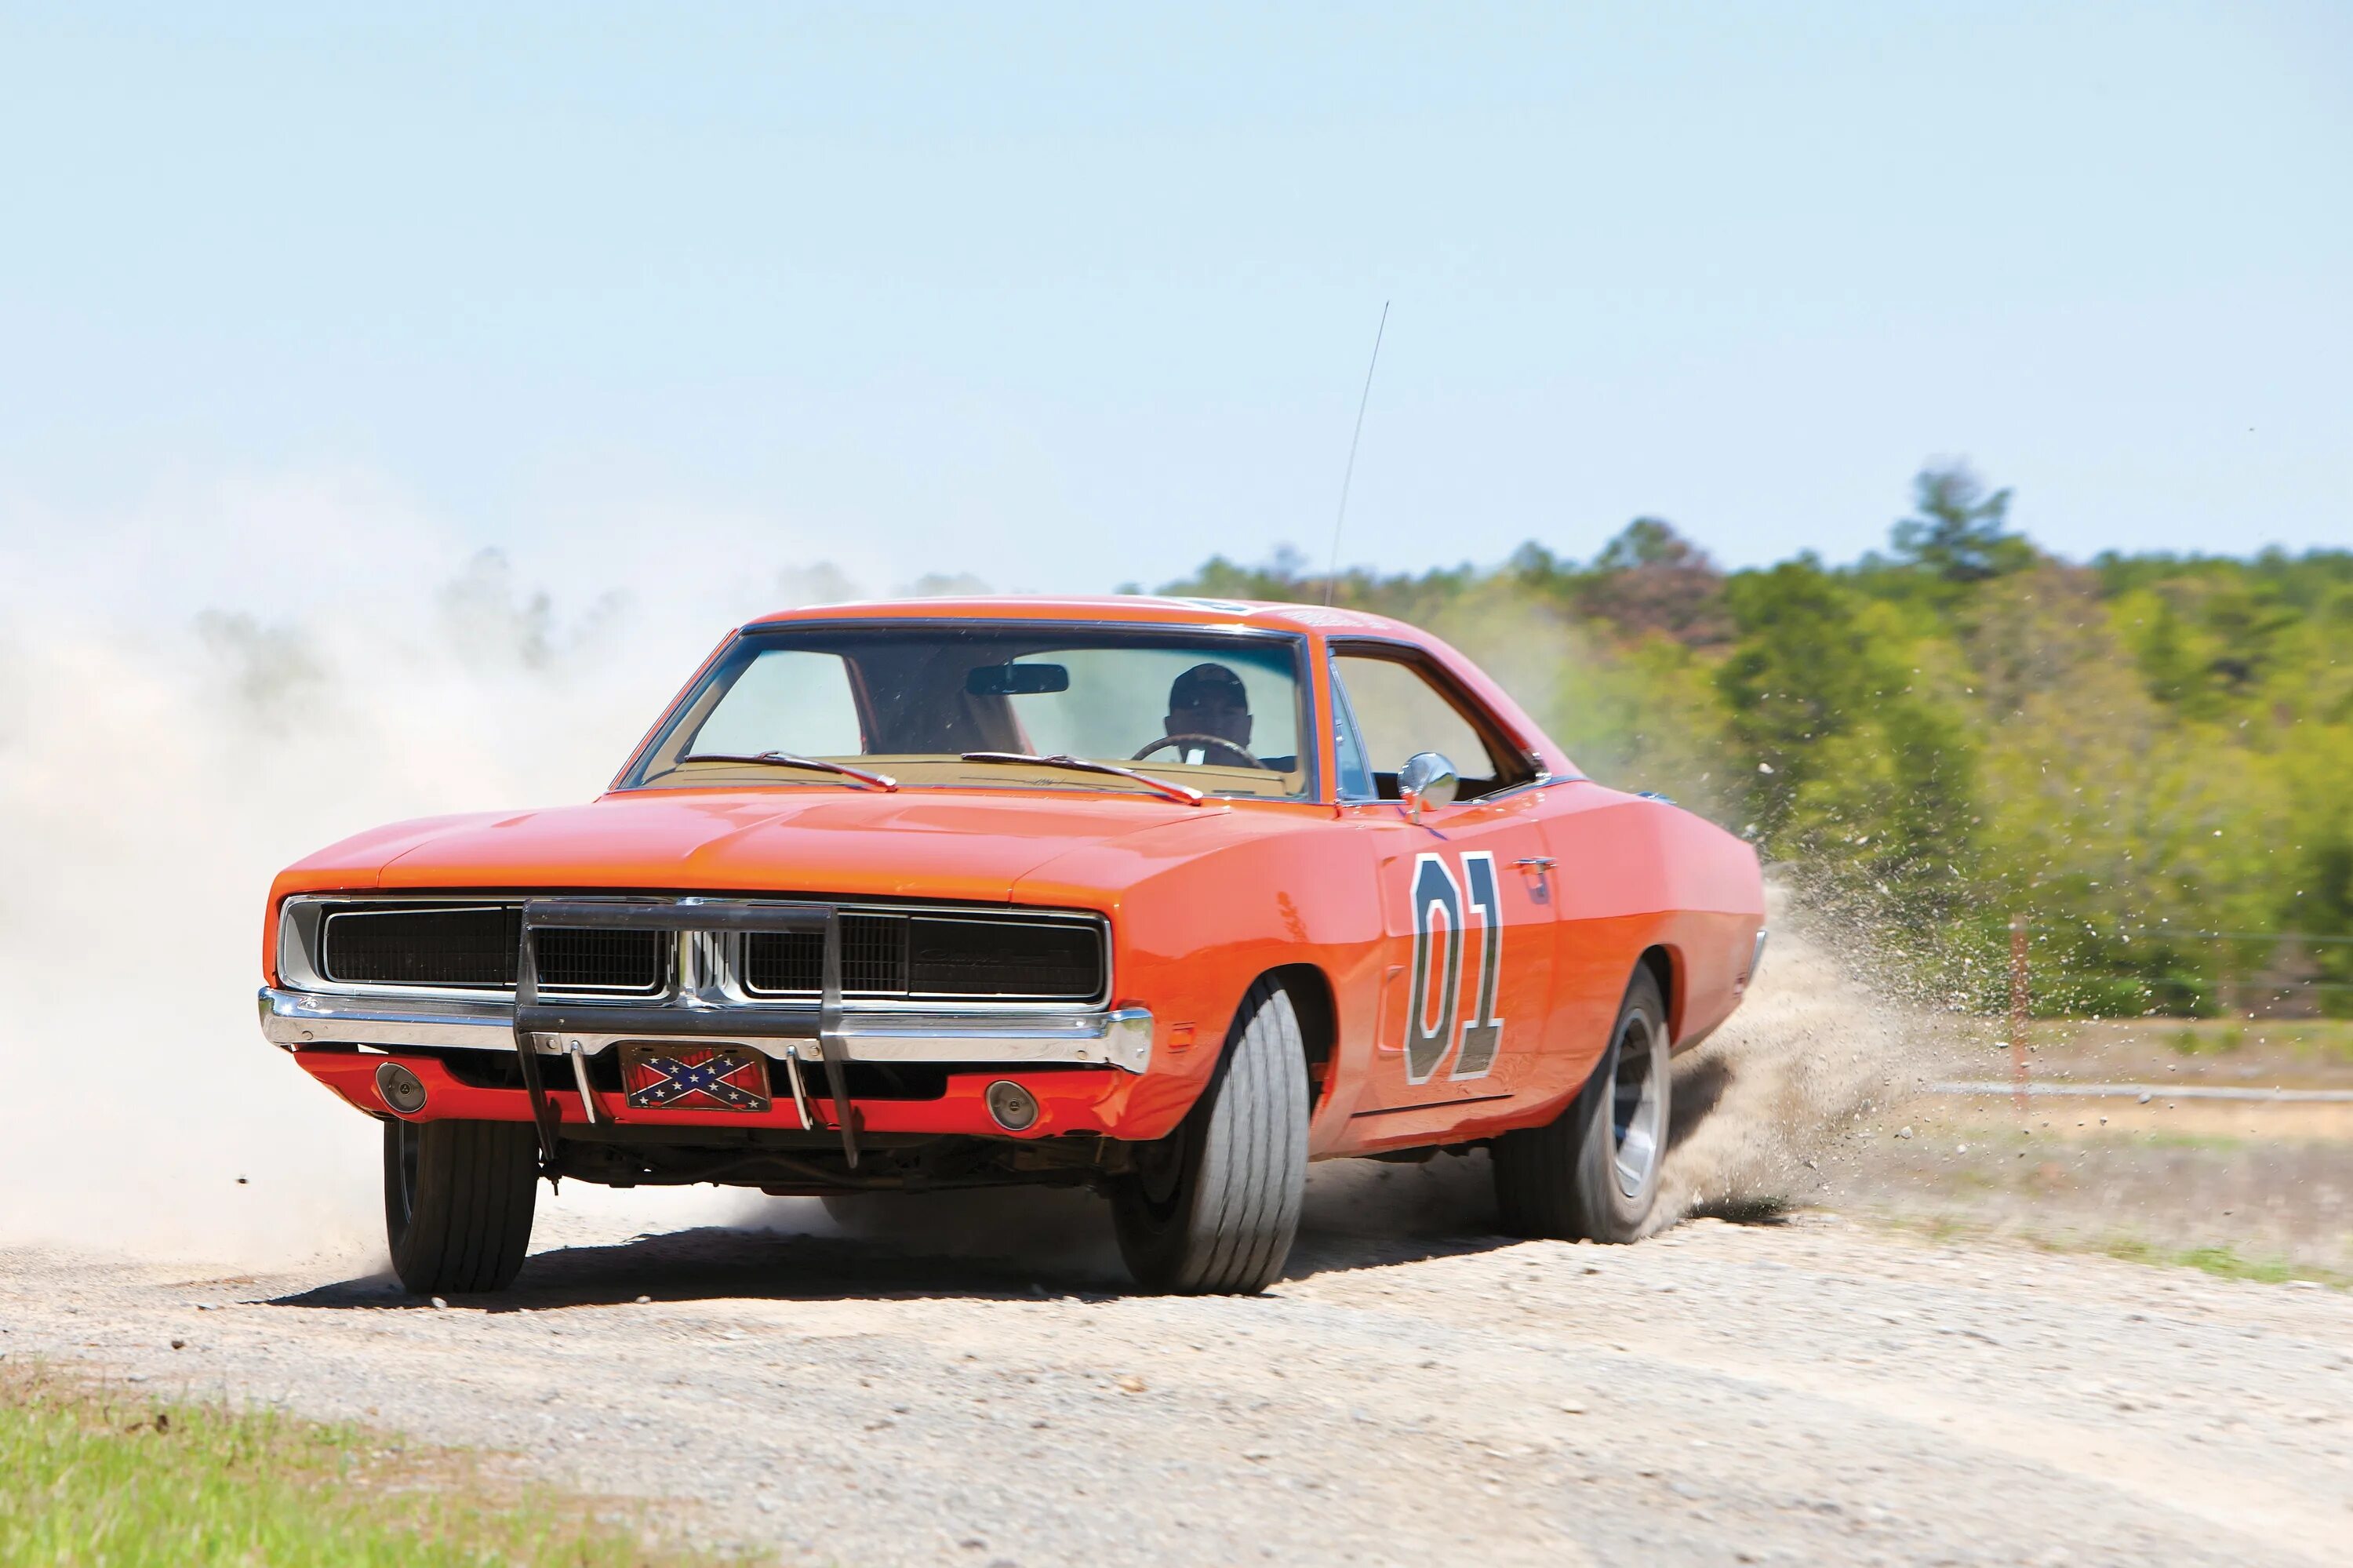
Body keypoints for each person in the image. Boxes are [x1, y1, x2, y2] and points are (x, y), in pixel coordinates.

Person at [1162, 662, 1253, 757]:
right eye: (1199, 715)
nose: (1216, 725)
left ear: (1248, 726)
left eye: (1228, 714)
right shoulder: (1146, 771)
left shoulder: (1268, 771)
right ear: (1171, 728)